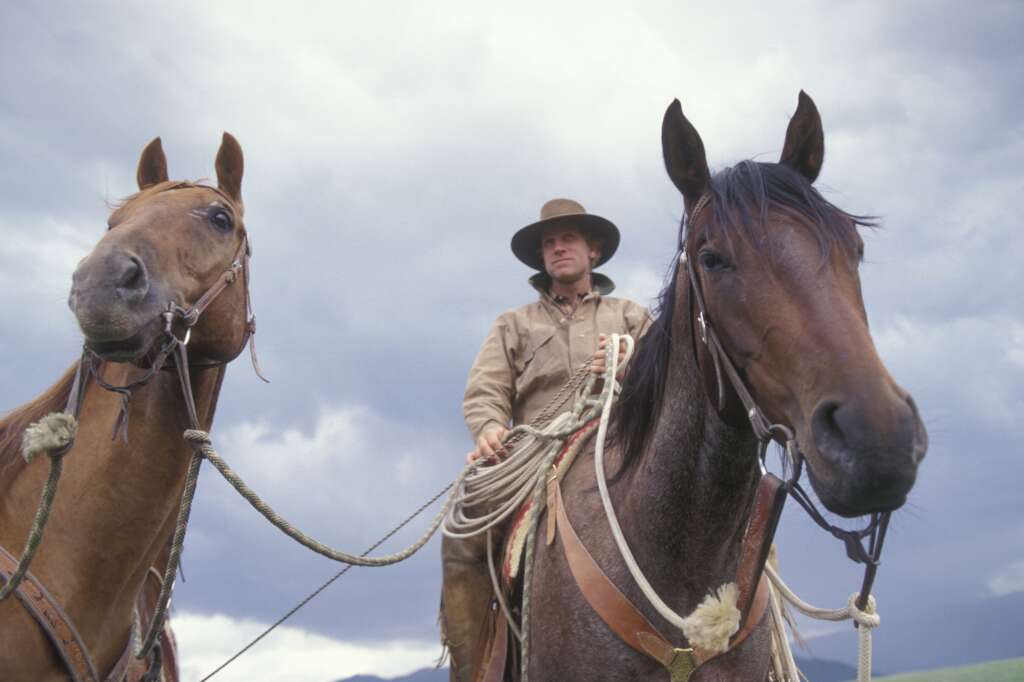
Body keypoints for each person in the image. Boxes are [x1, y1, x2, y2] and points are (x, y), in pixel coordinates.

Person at [440, 198, 650, 680]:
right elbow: (486, 391)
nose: (558, 248)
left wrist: (628, 364)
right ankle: (471, 670)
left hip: (622, 443)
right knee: (464, 524)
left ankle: (756, 651)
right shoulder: (514, 324)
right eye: (549, 243)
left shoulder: (632, 317)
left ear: (592, 250)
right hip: (536, 452)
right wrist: (491, 427)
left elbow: (668, 379)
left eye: (568, 239)